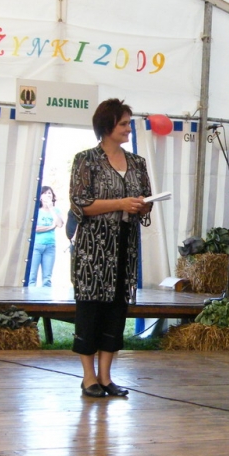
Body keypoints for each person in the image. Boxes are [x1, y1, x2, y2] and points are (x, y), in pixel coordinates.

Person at [70, 98, 153, 398]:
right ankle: (88, 377)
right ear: (107, 126)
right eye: (123, 123)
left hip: (125, 246)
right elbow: (81, 203)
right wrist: (120, 203)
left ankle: (106, 376)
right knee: (91, 310)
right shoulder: (86, 160)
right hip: (93, 249)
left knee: (117, 311)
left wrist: (142, 206)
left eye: (129, 123)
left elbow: (146, 199)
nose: (129, 129)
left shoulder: (137, 163)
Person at [28, 186, 65, 287]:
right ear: (40, 197)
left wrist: (51, 208)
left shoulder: (56, 210)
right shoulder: (36, 211)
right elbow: (34, 228)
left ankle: (45, 296)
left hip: (50, 246)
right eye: (44, 193)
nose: (47, 195)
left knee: (47, 278)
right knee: (32, 277)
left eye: (49, 193)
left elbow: (60, 224)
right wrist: (51, 227)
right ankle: (30, 295)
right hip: (36, 245)